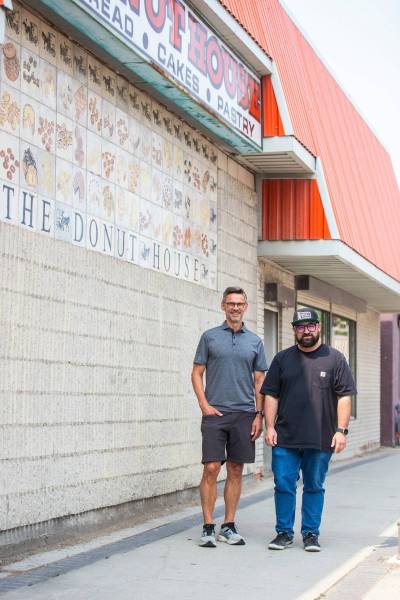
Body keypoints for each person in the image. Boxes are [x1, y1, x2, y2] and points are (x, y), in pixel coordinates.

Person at [261, 307, 356, 552]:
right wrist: (269, 426)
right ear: (294, 330)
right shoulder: (282, 359)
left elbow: (345, 396)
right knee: (283, 485)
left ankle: (311, 534)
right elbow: (270, 395)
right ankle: (283, 533)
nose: (306, 331)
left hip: (321, 438)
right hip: (285, 437)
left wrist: (341, 430)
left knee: (314, 485)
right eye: (301, 327)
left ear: (318, 328)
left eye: (311, 326)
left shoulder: (335, 359)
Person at [192, 286, 268, 548]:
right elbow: (196, 373)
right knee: (212, 468)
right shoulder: (210, 337)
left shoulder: (255, 342)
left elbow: (260, 381)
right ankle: (207, 526)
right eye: (231, 303)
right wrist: (203, 404)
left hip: (244, 414)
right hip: (215, 413)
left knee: (236, 469)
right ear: (223, 306)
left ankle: (229, 525)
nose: (235, 308)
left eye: (240, 304)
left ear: (246, 307)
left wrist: (259, 415)